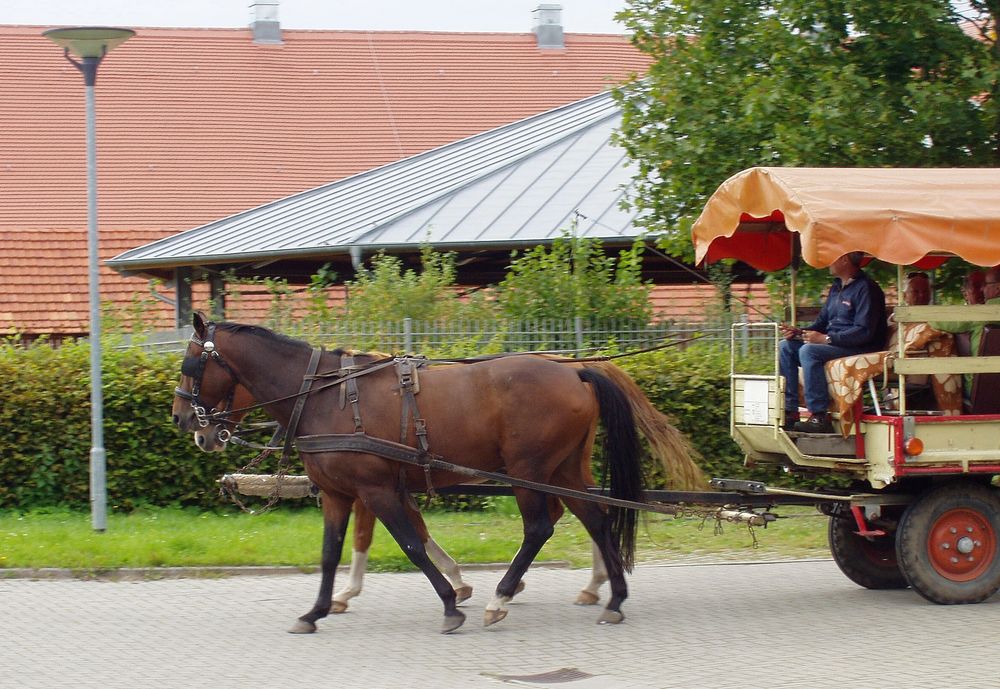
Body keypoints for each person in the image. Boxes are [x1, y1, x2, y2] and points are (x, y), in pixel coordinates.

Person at [779, 251, 887, 433]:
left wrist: (826, 339)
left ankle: (819, 416)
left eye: (832, 256)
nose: (827, 261)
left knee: (809, 351)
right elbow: (822, 323)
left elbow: (864, 331)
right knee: (786, 347)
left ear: (844, 259)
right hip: (835, 344)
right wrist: (799, 333)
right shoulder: (836, 287)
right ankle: (790, 411)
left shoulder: (867, 288)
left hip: (861, 348)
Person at [929, 265, 1000, 401]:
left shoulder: (982, 313)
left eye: (985, 285)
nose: (982, 289)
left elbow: (939, 321)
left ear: (998, 288)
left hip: (983, 390)